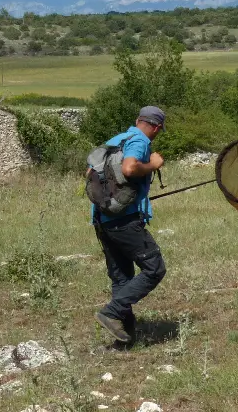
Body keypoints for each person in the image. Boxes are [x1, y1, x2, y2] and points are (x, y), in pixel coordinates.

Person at [91, 105, 168, 344]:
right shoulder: (141, 141)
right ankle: (111, 312)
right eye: (159, 130)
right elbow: (129, 167)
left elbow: (89, 172)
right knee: (154, 269)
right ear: (156, 128)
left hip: (102, 219)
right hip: (125, 221)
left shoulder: (117, 139)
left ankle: (124, 339)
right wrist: (153, 165)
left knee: (122, 278)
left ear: (137, 120)